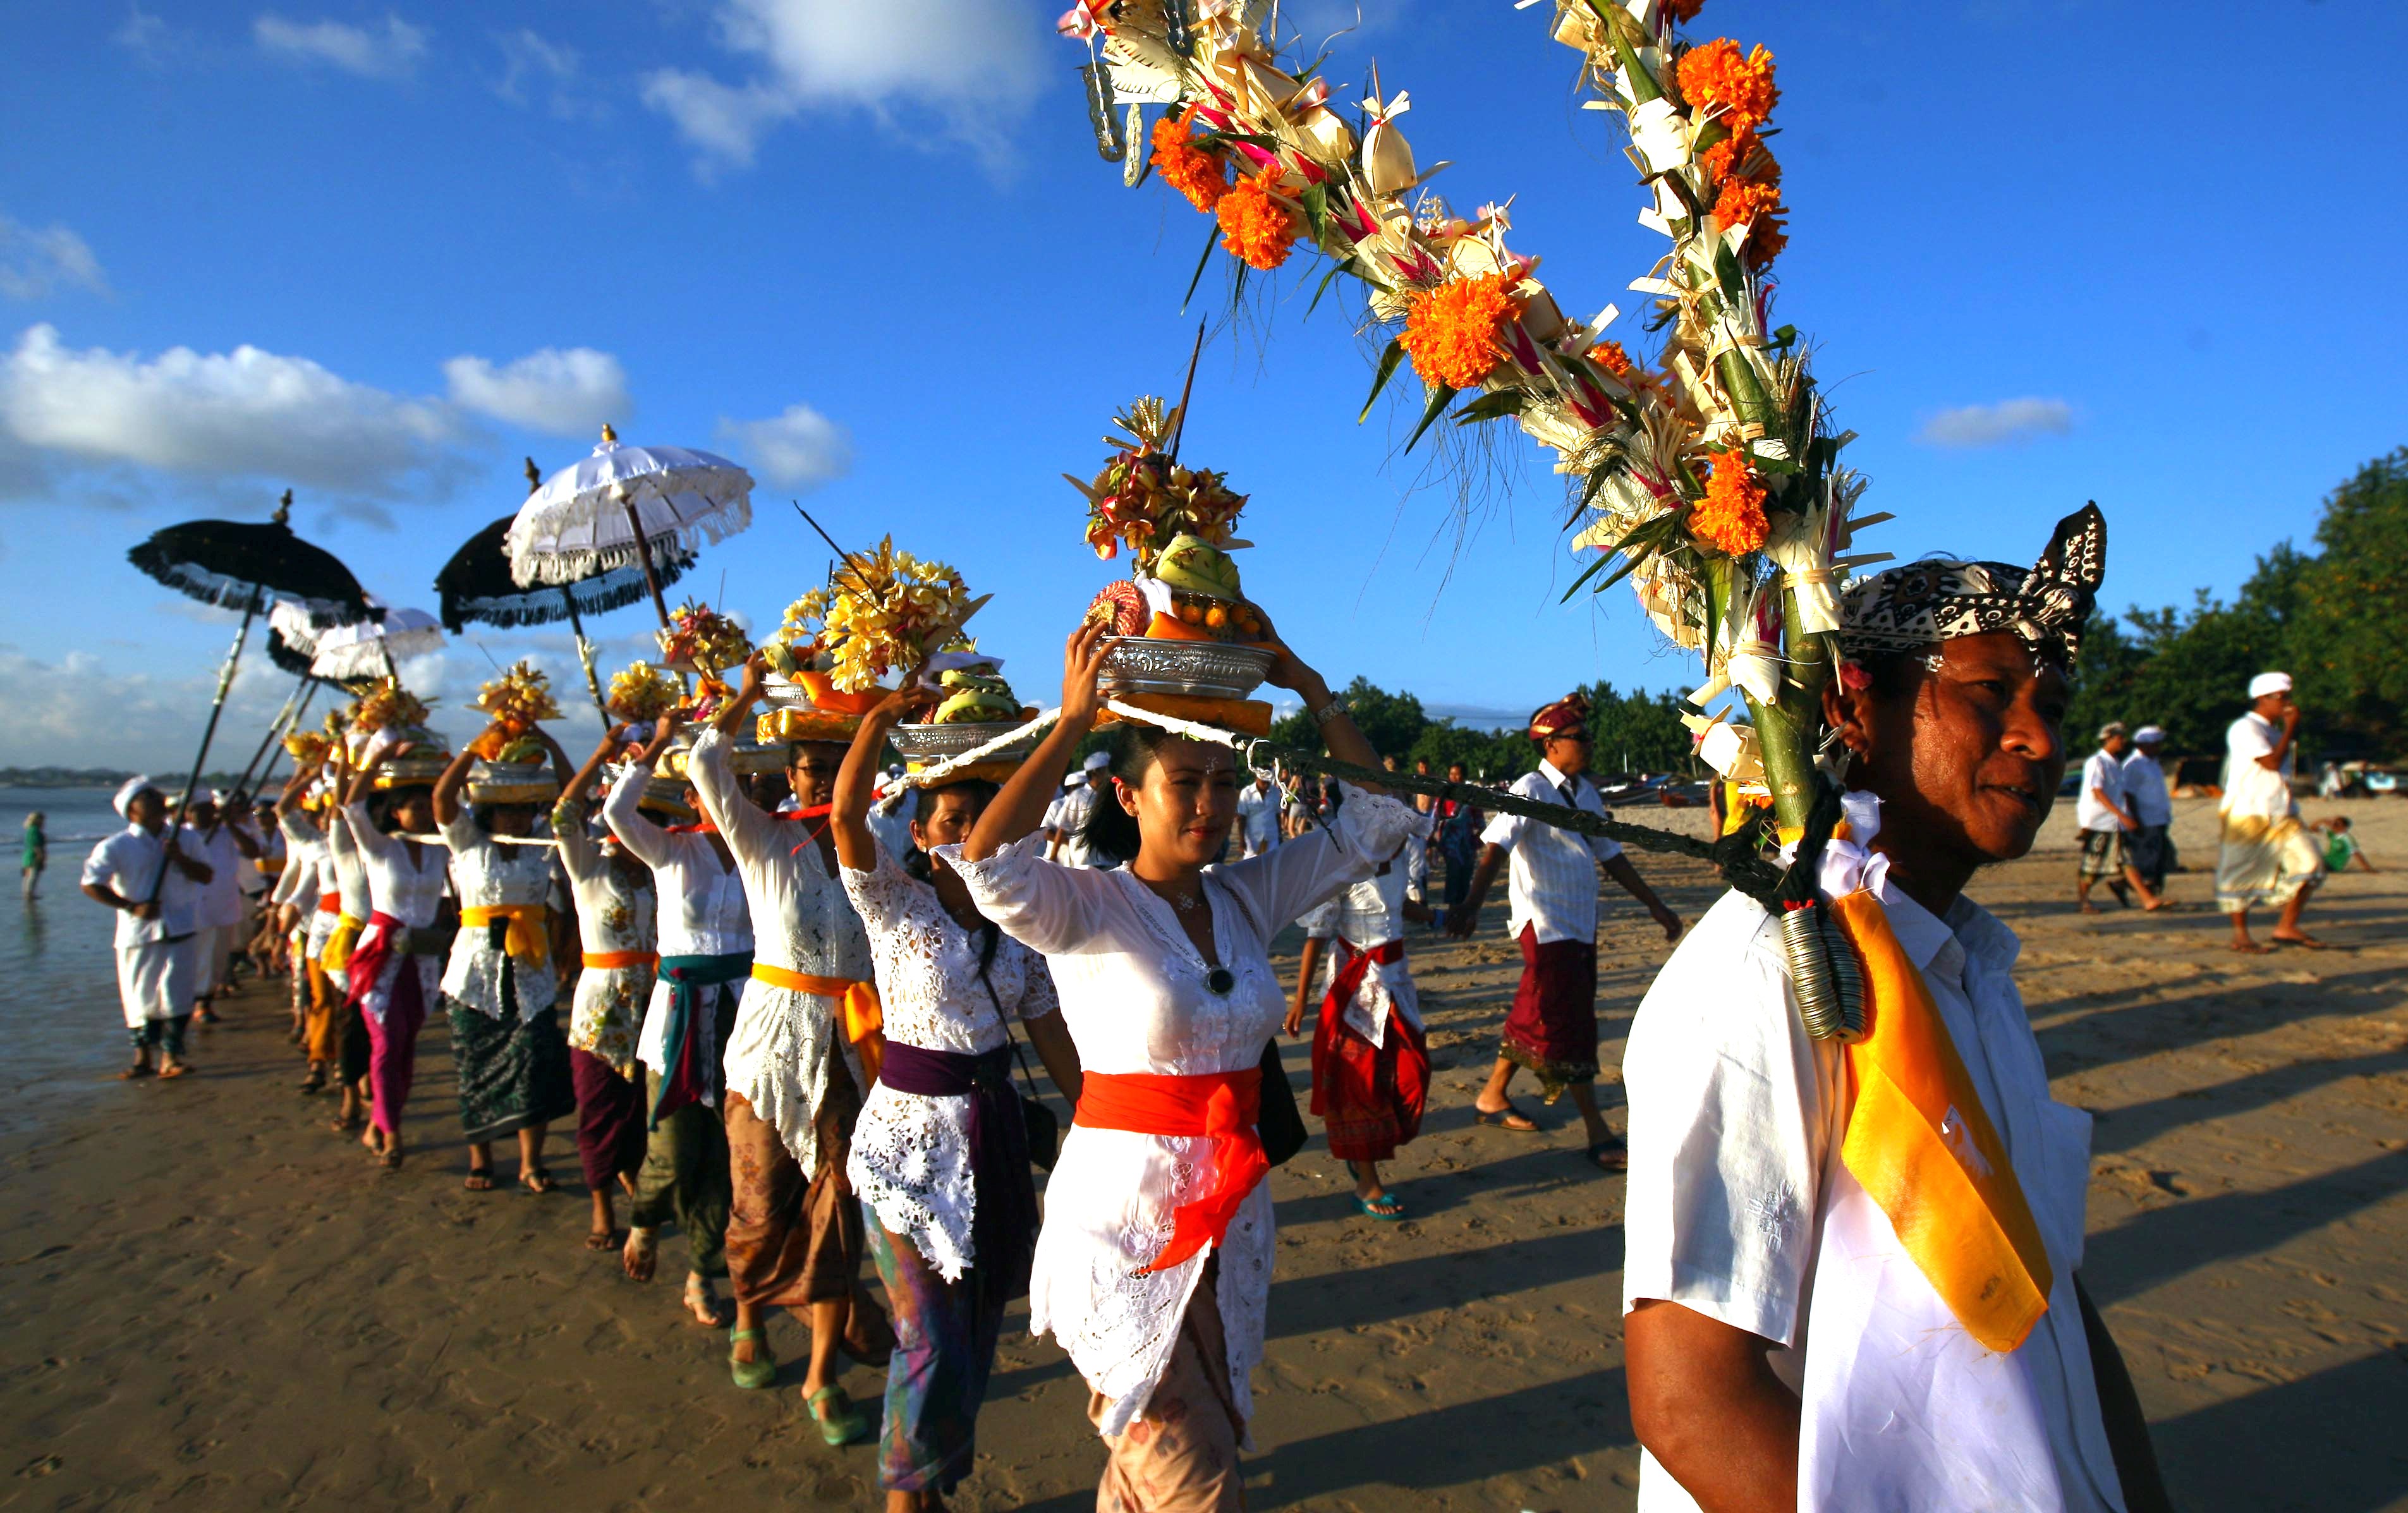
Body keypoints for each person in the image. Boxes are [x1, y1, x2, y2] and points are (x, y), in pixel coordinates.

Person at [1619, 506, 2172, 1513]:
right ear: (1854, 713)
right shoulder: (1768, 971)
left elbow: (2045, 1292)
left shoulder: (1972, 970)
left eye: (2051, 699)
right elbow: (1691, 1399)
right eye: (1989, 693)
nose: (2037, 736)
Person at [951, 621, 1419, 1512]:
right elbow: (988, 868)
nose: (1209, 802)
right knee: (1192, 1474)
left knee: (1161, 1455)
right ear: (1129, 796)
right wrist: (1070, 726)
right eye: (1185, 783)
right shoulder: (1086, 903)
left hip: (1231, 1218)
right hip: (1123, 1227)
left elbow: (1376, 820)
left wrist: (1308, 679)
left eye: (1222, 782)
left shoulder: (1247, 893)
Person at [834, 676, 1085, 1509]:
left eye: (983, 823)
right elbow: (842, 821)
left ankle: (934, 1475)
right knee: (930, 1333)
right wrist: (877, 720)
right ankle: (904, 1492)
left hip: (992, 1140)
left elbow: (1055, 1044)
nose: (967, 838)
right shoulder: (892, 905)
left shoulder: (1023, 933)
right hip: (904, 1145)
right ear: (919, 833)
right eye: (951, 823)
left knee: (974, 1325)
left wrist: (1100, 1124)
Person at [660, 666, 896, 1426]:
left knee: (838, 1213)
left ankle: (821, 1376)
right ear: (790, 774)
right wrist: (752, 691)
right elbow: (703, 764)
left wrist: (901, 700)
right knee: (760, 1206)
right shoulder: (766, 841)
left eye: (837, 765)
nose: (822, 779)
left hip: (850, 1051)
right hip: (768, 1050)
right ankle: (750, 1320)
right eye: (810, 768)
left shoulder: (876, 850)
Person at [1446, 693, 1684, 1171]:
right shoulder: (1531, 788)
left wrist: (1655, 905)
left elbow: (1610, 854)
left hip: (1579, 922)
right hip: (1545, 922)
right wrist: (1471, 904)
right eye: (1580, 737)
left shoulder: (1586, 792)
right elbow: (1495, 846)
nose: (1589, 744)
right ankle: (1597, 1127)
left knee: (1538, 1011)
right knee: (1572, 1025)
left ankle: (1493, 1095)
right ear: (1551, 744)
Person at [603, 724, 750, 1332]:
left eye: (732, 785)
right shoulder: (669, 848)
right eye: (707, 786)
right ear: (691, 796)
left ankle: (701, 1275)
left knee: (723, 1154)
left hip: (739, 1012)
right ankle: (643, 1220)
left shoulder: (761, 849)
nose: (720, 794)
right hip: (676, 1015)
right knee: (670, 1145)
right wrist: (655, 744)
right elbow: (616, 811)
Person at [433, 727, 578, 1192]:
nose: (515, 817)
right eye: (506, 808)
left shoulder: (542, 844)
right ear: (490, 809)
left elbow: (572, 804)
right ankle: (481, 1158)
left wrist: (553, 746)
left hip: (531, 972)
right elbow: (442, 799)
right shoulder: (468, 842)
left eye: (523, 808)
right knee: (474, 1061)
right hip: (474, 972)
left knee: (533, 1063)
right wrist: (473, 748)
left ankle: (530, 1162)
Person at [1283, 809, 1436, 1219]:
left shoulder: (1402, 860)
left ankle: (1368, 1157)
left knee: (1412, 1070)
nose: (1402, 839)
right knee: (1359, 1083)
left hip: (1397, 980)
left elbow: (1399, 904)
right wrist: (1301, 1001)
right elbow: (1316, 936)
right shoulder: (1344, 871)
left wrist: (1438, 916)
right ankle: (1367, 1180)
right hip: (1355, 988)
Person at [554, 729, 659, 1252]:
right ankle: (601, 1205)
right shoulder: (588, 868)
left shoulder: (663, 870)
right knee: (597, 1107)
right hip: (600, 1007)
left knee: (642, 1106)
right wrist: (598, 755)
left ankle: (638, 1186)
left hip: (653, 1003)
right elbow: (562, 818)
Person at [339, 747, 451, 1172]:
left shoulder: (441, 849)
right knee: (385, 1045)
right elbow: (351, 805)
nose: (423, 814)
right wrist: (380, 755)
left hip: (420, 957)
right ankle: (392, 1134)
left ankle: (380, 1120)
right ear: (396, 812)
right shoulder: (380, 847)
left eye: (428, 807)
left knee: (405, 1046)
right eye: (415, 808)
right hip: (382, 955)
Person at [82, 777, 213, 1079]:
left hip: (181, 924)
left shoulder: (187, 839)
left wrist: (179, 858)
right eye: (148, 798)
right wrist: (130, 906)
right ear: (132, 811)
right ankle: (142, 1057)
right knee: (140, 997)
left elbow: (206, 875)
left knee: (177, 994)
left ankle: (171, 1056)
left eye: (156, 795)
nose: (157, 800)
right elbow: (91, 883)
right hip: (139, 932)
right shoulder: (116, 846)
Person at [2216, 672, 2325, 952]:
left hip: (2282, 811)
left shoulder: (2274, 732)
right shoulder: (2245, 728)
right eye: (2282, 698)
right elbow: (2272, 763)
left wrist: (2286, 731)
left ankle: (2286, 926)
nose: (2288, 703)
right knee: (2240, 873)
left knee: (2310, 864)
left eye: (2289, 697)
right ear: (2262, 699)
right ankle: (2241, 935)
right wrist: (2290, 728)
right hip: (2249, 812)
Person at [2074, 723, 2163, 913]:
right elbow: (2097, 792)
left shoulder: (2115, 763)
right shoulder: (2097, 762)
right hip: (2099, 821)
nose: (2123, 742)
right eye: (2120, 738)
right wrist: (2122, 815)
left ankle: (2147, 899)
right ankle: (2084, 901)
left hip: (2113, 822)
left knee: (2125, 860)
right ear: (2109, 739)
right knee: (2092, 864)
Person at [2120, 726, 2175, 894]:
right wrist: (2135, 819)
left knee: (2160, 860)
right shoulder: (2134, 765)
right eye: (2156, 744)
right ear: (2143, 745)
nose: (2159, 748)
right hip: (2146, 820)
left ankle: (2152, 891)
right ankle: (2137, 889)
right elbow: (2127, 793)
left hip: (2159, 818)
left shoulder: (2153, 763)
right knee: (2146, 860)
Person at [1433, 762, 1484, 927]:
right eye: (1452, 774)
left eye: (1458, 774)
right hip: (1450, 846)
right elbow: (1436, 818)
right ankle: (1452, 914)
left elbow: (1481, 824)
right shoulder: (1444, 795)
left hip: (1467, 846)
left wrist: (1476, 842)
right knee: (1453, 877)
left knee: (1465, 878)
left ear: (1464, 776)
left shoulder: (1472, 797)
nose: (1455, 777)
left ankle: (1462, 914)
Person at [1044, 751, 1112, 866]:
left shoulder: (1110, 795)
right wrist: (1053, 856)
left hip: (1108, 857)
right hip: (1085, 858)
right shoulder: (1079, 796)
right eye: (1107, 770)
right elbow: (1063, 828)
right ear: (1096, 773)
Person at [1234, 770, 1281, 860]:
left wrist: (1280, 834)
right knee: (1250, 862)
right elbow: (1242, 818)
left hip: (1271, 834)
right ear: (1257, 778)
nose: (1266, 785)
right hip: (1252, 836)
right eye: (1264, 782)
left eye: (1268, 782)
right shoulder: (1247, 793)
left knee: (1272, 861)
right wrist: (1241, 839)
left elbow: (1277, 815)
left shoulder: (1275, 792)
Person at [2311, 815, 2375, 875]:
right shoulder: (2333, 834)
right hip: (2326, 861)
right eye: (2334, 823)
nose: (2334, 825)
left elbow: (2357, 854)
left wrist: (2369, 869)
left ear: (2344, 827)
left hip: (2334, 866)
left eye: (2337, 824)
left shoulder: (2347, 839)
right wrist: (2322, 821)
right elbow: (2312, 829)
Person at [21, 810, 46, 901]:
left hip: (28, 855)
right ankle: (29, 895)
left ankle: (27, 894)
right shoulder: (35, 830)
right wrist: (41, 856)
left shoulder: (31, 830)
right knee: (33, 876)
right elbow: (36, 845)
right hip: (33, 856)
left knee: (28, 876)